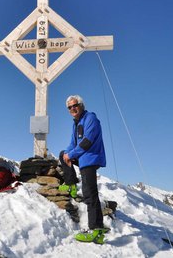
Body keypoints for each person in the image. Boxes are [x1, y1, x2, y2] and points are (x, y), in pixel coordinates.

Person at [58, 95, 108, 244]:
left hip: (90, 158)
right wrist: (68, 154)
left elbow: (87, 141)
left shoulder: (90, 118)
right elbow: (72, 144)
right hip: (83, 157)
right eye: (70, 107)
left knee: (89, 192)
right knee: (62, 154)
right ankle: (71, 184)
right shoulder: (76, 123)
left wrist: (71, 154)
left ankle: (94, 230)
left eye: (75, 105)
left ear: (81, 105)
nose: (73, 108)